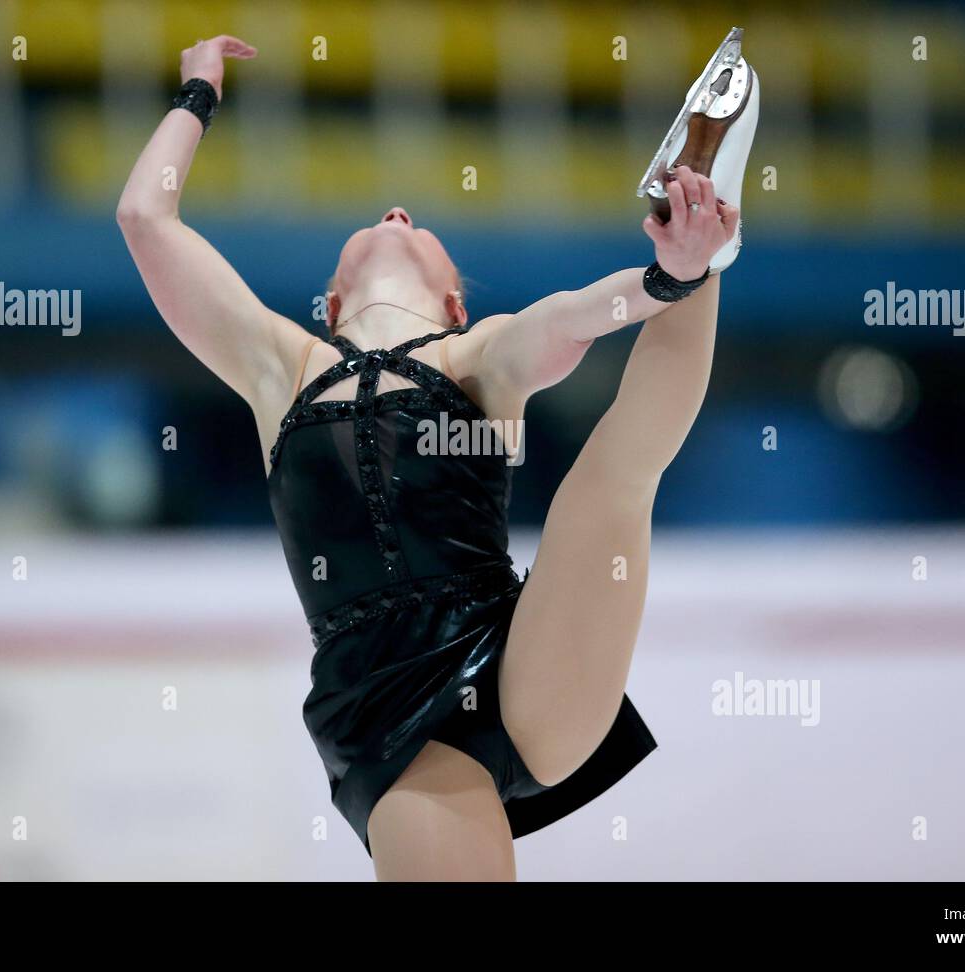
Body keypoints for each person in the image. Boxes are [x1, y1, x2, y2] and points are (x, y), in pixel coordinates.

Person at [117, 34, 755, 881]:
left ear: (455, 300)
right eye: (382, 218)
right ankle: (695, 245)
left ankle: (703, 243)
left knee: (607, 483)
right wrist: (197, 93)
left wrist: (663, 281)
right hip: (381, 702)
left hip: (526, 657)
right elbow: (143, 218)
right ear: (331, 301)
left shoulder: (478, 355)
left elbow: (566, 319)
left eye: (415, 221)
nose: (396, 213)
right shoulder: (279, 367)